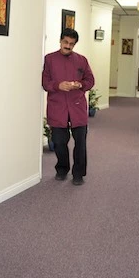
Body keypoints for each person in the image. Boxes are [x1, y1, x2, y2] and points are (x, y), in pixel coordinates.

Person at [42, 28, 95, 186]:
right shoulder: (49, 59)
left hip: (77, 107)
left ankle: (78, 173)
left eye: (72, 44)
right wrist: (58, 85)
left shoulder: (82, 60)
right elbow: (45, 82)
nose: (68, 46)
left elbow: (90, 80)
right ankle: (62, 169)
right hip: (58, 108)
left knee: (80, 143)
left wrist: (80, 84)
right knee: (59, 142)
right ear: (60, 41)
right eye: (65, 42)